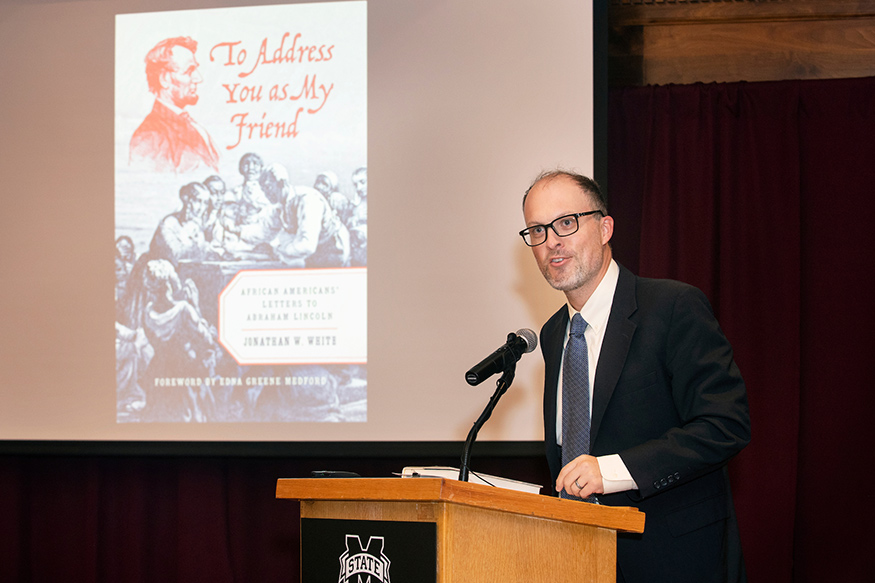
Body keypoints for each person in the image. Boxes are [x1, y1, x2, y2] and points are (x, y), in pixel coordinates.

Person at [520, 170, 750, 583]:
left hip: (672, 559)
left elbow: (725, 425)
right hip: (578, 559)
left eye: (566, 223)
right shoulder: (554, 333)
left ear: (605, 227)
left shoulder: (672, 307)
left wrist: (612, 471)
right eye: (537, 229)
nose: (551, 240)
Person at [129, 36, 220, 173]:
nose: (198, 78)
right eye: (189, 71)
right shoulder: (149, 137)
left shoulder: (191, 124)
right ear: (164, 79)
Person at [261, 163, 350, 268]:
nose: (266, 193)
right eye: (263, 189)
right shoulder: (281, 204)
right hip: (316, 250)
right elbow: (267, 230)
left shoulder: (308, 200)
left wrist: (279, 250)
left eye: (268, 187)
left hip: (334, 248)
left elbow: (308, 245)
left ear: (281, 183)